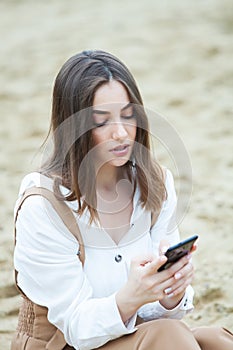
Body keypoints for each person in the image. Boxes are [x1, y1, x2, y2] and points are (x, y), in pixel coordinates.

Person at [12, 50, 233, 350]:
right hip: (69, 344)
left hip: (138, 337)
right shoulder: (44, 206)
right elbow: (77, 327)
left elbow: (160, 316)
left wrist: (171, 294)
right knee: (170, 337)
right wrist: (131, 296)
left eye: (129, 116)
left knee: (217, 341)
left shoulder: (155, 184)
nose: (121, 133)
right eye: (101, 122)